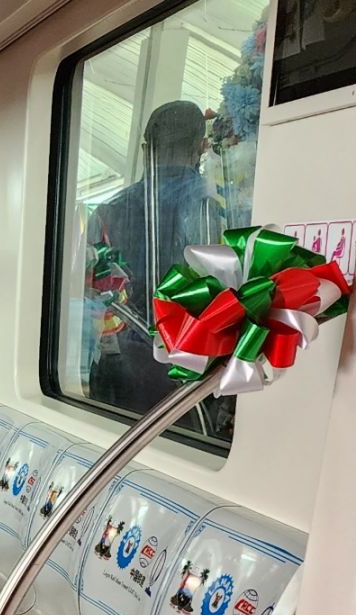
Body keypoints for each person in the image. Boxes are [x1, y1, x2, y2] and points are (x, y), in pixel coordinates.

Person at [85, 100, 219, 419]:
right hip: (191, 373)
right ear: (201, 147)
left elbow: (88, 288)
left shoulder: (107, 211)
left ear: (146, 150)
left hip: (118, 365)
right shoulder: (212, 208)